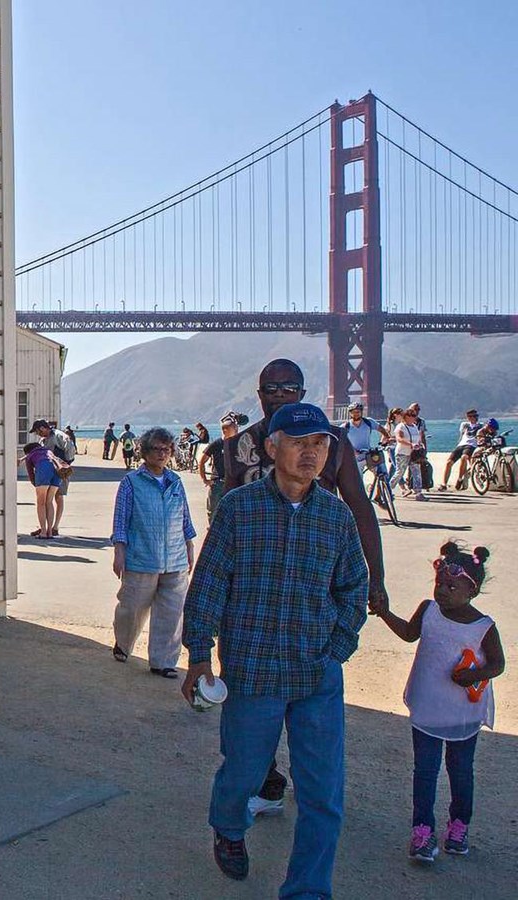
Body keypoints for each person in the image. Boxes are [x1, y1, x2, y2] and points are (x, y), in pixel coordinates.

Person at [183, 401, 369, 894]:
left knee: (323, 795)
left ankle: (307, 889)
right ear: (272, 447)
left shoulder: (335, 517)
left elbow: (354, 587)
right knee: (242, 773)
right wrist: (198, 654)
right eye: (298, 443)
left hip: (317, 676)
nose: (310, 453)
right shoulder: (238, 509)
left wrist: (337, 649)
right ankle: (228, 828)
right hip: (253, 672)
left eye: (319, 444)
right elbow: (209, 584)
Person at [220, 359, 388, 821]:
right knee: (252, 703)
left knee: (311, 697)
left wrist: (376, 577)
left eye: (288, 387)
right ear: (258, 393)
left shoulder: (330, 446)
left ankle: (310, 794)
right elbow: (224, 513)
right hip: (251, 594)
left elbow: (359, 508)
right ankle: (265, 780)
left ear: (302, 391)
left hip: (313, 589)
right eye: (269, 388)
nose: (277, 395)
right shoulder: (238, 448)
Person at [370, 541, 504, 863]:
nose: (442, 590)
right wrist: (384, 612)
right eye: (439, 583)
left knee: (461, 772)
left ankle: (458, 825)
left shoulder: (484, 627)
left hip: (462, 715)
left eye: (451, 586)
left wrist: (475, 676)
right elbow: (408, 633)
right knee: (425, 772)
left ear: (471, 591)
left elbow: (498, 664)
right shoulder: (429, 611)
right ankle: (422, 831)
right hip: (429, 708)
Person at [110, 427, 196, 678]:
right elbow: (120, 521)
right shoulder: (131, 483)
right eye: (156, 449)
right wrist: (119, 551)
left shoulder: (176, 482)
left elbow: (185, 518)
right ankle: (123, 644)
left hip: (175, 560)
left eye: (166, 449)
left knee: (172, 612)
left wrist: (189, 546)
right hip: (142, 558)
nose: (162, 454)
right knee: (132, 608)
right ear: (145, 452)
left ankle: (163, 661)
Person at [198, 411, 246, 522]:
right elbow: (202, 462)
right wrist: (205, 479)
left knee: (235, 511)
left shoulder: (239, 443)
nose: (237, 430)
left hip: (234, 483)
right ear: (225, 430)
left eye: (236, 428)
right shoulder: (216, 444)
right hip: (218, 483)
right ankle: (211, 532)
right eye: (234, 428)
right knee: (213, 511)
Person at [22, 432, 67, 539]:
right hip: (57, 472)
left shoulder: (30, 456)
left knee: (41, 503)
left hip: (43, 470)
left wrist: (36, 484)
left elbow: (31, 473)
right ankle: (50, 531)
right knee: (49, 502)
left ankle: (43, 531)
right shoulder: (48, 451)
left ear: (27, 452)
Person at [38, 419, 74, 537]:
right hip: (48, 472)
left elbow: (70, 447)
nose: (38, 434)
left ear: (43, 428)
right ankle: (46, 526)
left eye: (38, 431)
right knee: (46, 499)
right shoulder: (43, 440)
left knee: (58, 497)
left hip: (60, 471)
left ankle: (55, 527)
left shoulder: (59, 435)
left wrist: (65, 464)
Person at [440, 408, 483, 491]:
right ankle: (444, 484)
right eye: (469, 416)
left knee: (464, 458)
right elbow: (461, 435)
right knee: (449, 462)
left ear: (476, 416)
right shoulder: (464, 424)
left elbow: (485, 433)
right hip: (461, 445)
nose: (470, 418)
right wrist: (458, 443)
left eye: (473, 416)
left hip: (471, 445)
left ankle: (460, 479)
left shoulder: (480, 425)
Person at [394, 406, 427, 500]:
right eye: (412, 415)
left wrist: (420, 444)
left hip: (413, 454)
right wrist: (411, 444)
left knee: (417, 472)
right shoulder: (400, 426)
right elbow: (399, 439)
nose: (414, 417)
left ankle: (419, 493)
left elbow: (418, 438)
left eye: (415, 415)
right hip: (402, 453)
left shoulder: (415, 426)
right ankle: (387, 489)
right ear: (406, 416)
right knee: (399, 473)